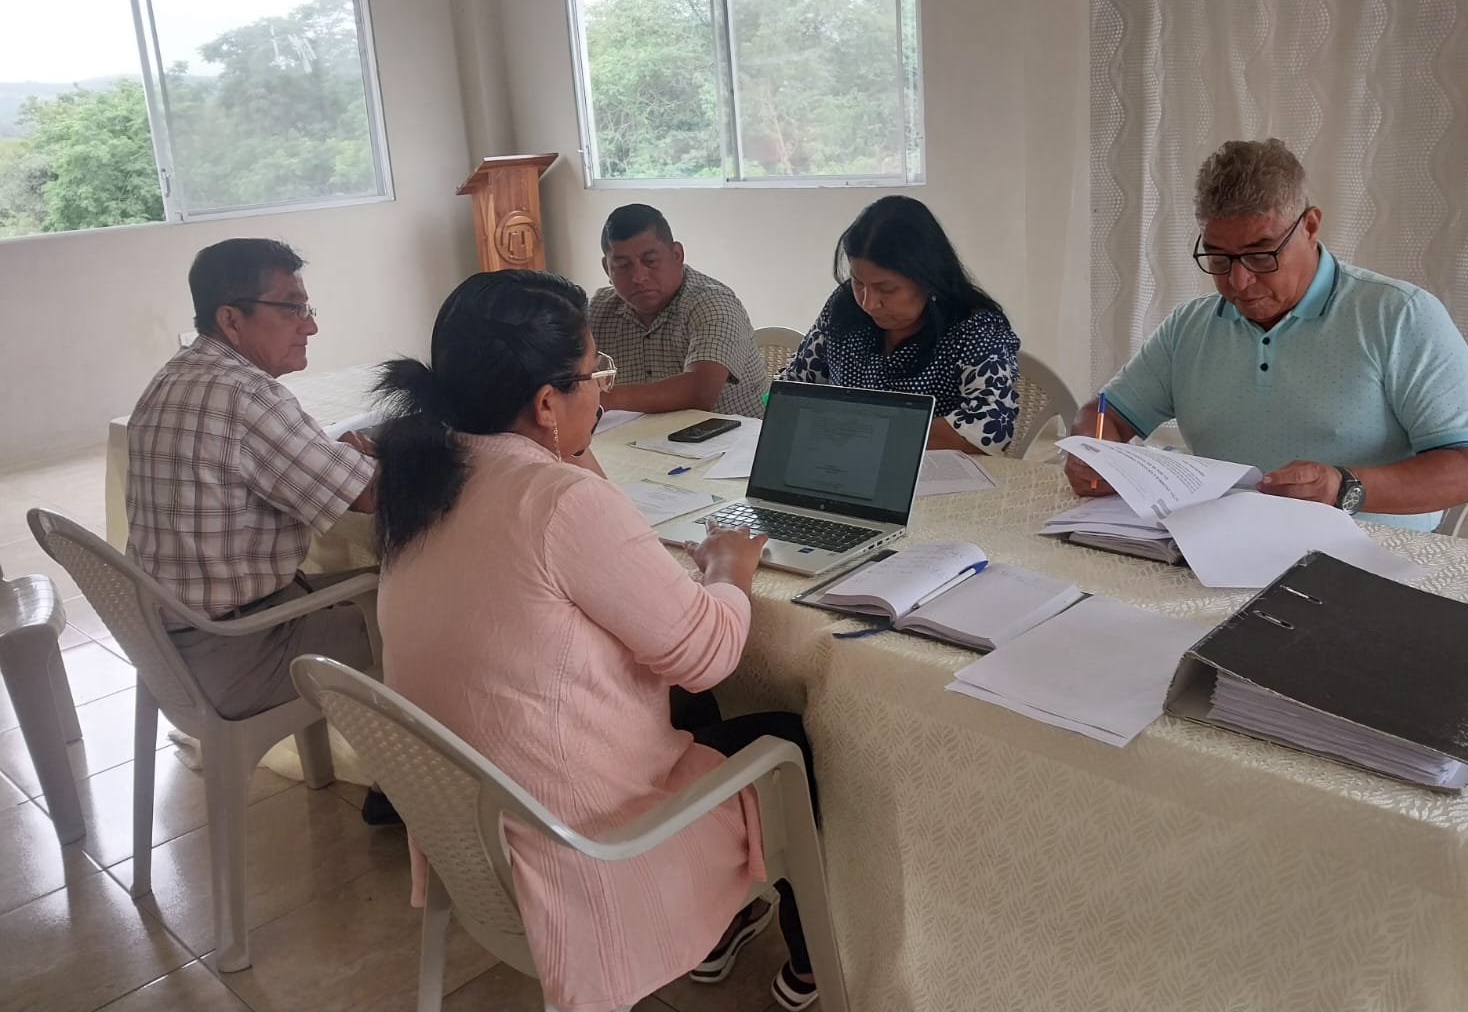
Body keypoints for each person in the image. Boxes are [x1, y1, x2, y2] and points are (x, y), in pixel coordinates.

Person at [373, 269, 822, 1012]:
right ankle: (817, 960)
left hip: (471, 832)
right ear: (545, 402)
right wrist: (730, 566)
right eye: (594, 376)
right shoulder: (554, 501)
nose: (604, 394)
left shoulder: (427, 475)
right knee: (787, 738)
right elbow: (709, 653)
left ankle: (726, 923)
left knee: (687, 701)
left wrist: (568, 445)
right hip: (581, 846)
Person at [1065, 138, 1468, 529]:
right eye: (1218, 258)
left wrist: (1343, 487)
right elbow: (1106, 412)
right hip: (1219, 542)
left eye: (1260, 255)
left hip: (1369, 551)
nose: (1238, 282)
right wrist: (1096, 453)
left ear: (1310, 226)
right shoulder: (1190, 327)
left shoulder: (1399, 316)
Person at [124, 238, 396, 823]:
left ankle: (383, 774)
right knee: (412, 608)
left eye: (307, 307)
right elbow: (370, 496)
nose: (310, 325)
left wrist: (338, 459)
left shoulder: (174, 376)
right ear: (231, 319)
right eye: (291, 308)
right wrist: (377, 460)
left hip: (167, 647)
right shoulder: (248, 395)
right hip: (235, 652)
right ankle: (402, 787)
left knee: (370, 586)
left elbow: (272, 463)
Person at [780, 195, 1022, 454]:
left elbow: (991, 427)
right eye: (858, 282)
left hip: (931, 471)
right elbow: (792, 386)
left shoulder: (975, 327)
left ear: (928, 279)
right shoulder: (844, 305)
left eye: (887, 289)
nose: (869, 303)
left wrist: (865, 431)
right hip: (842, 464)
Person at [588, 203, 770, 418]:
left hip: (739, 437)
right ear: (606, 268)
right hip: (646, 435)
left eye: (650, 261)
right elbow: (565, 374)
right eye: (623, 266)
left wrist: (605, 398)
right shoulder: (599, 310)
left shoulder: (713, 303)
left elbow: (700, 392)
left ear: (677, 255)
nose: (639, 277)